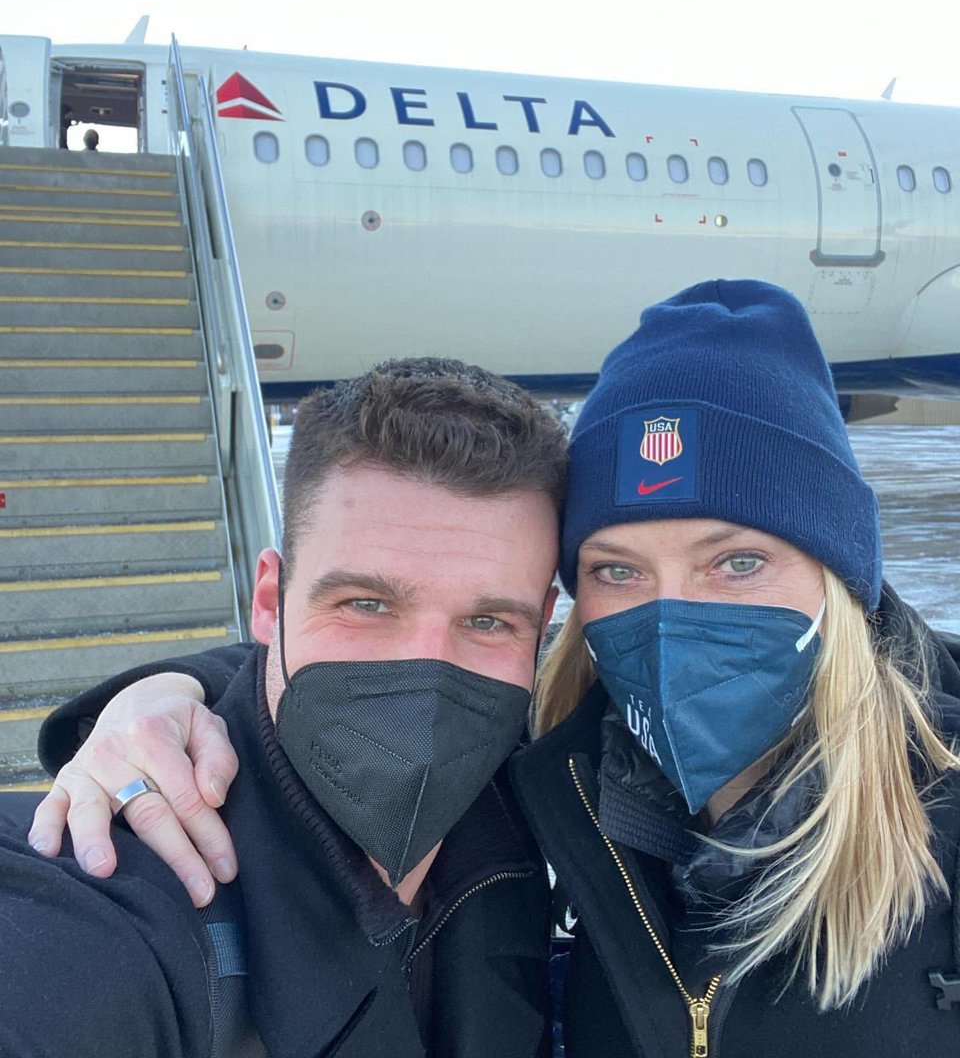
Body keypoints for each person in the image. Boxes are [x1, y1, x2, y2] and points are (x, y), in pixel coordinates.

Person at [30, 281, 960, 1055]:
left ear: (842, 578)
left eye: (738, 561)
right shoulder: (555, 774)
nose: (672, 616)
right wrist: (169, 694)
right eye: (618, 570)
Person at [0, 356, 566, 1058]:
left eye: (487, 622)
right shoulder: (99, 908)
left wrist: (175, 683)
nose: (426, 672)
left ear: (541, 628)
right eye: (366, 604)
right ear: (269, 602)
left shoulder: (536, 796)